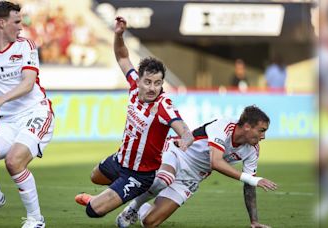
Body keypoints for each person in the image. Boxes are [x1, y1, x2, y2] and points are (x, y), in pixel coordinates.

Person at [74, 16, 194, 221]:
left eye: (157, 83)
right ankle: (114, 193)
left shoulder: (162, 106)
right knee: (95, 176)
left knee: (93, 211)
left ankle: (125, 196)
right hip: (120, 160)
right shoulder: (132, 86)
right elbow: (122, 57)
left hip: (140, 174)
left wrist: (186, 138)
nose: (152, 88)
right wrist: (119, 35)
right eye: (147, 82)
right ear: (138, 80)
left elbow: (183, 128)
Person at [117, 105, 278, 228]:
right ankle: (132, 208)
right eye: (261, 130)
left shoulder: (252, 150)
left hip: (192, 178)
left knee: (150, 222)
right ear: (248, 126)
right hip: (178, 154)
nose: (263, 136)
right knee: (164, 179)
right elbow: (216, 162)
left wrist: (254, 221)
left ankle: (141, 209)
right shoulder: (225, 126)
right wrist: (253, 179)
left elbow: (249, 186)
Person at [0, 1, 54, 228]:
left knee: (14, 161)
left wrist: (1, 98)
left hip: (36, 113)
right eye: (17, 22)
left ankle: (36, 220)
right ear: (1, 23)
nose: (21, 27)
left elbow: (29, 84)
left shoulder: (25, 46)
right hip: (8, 122)